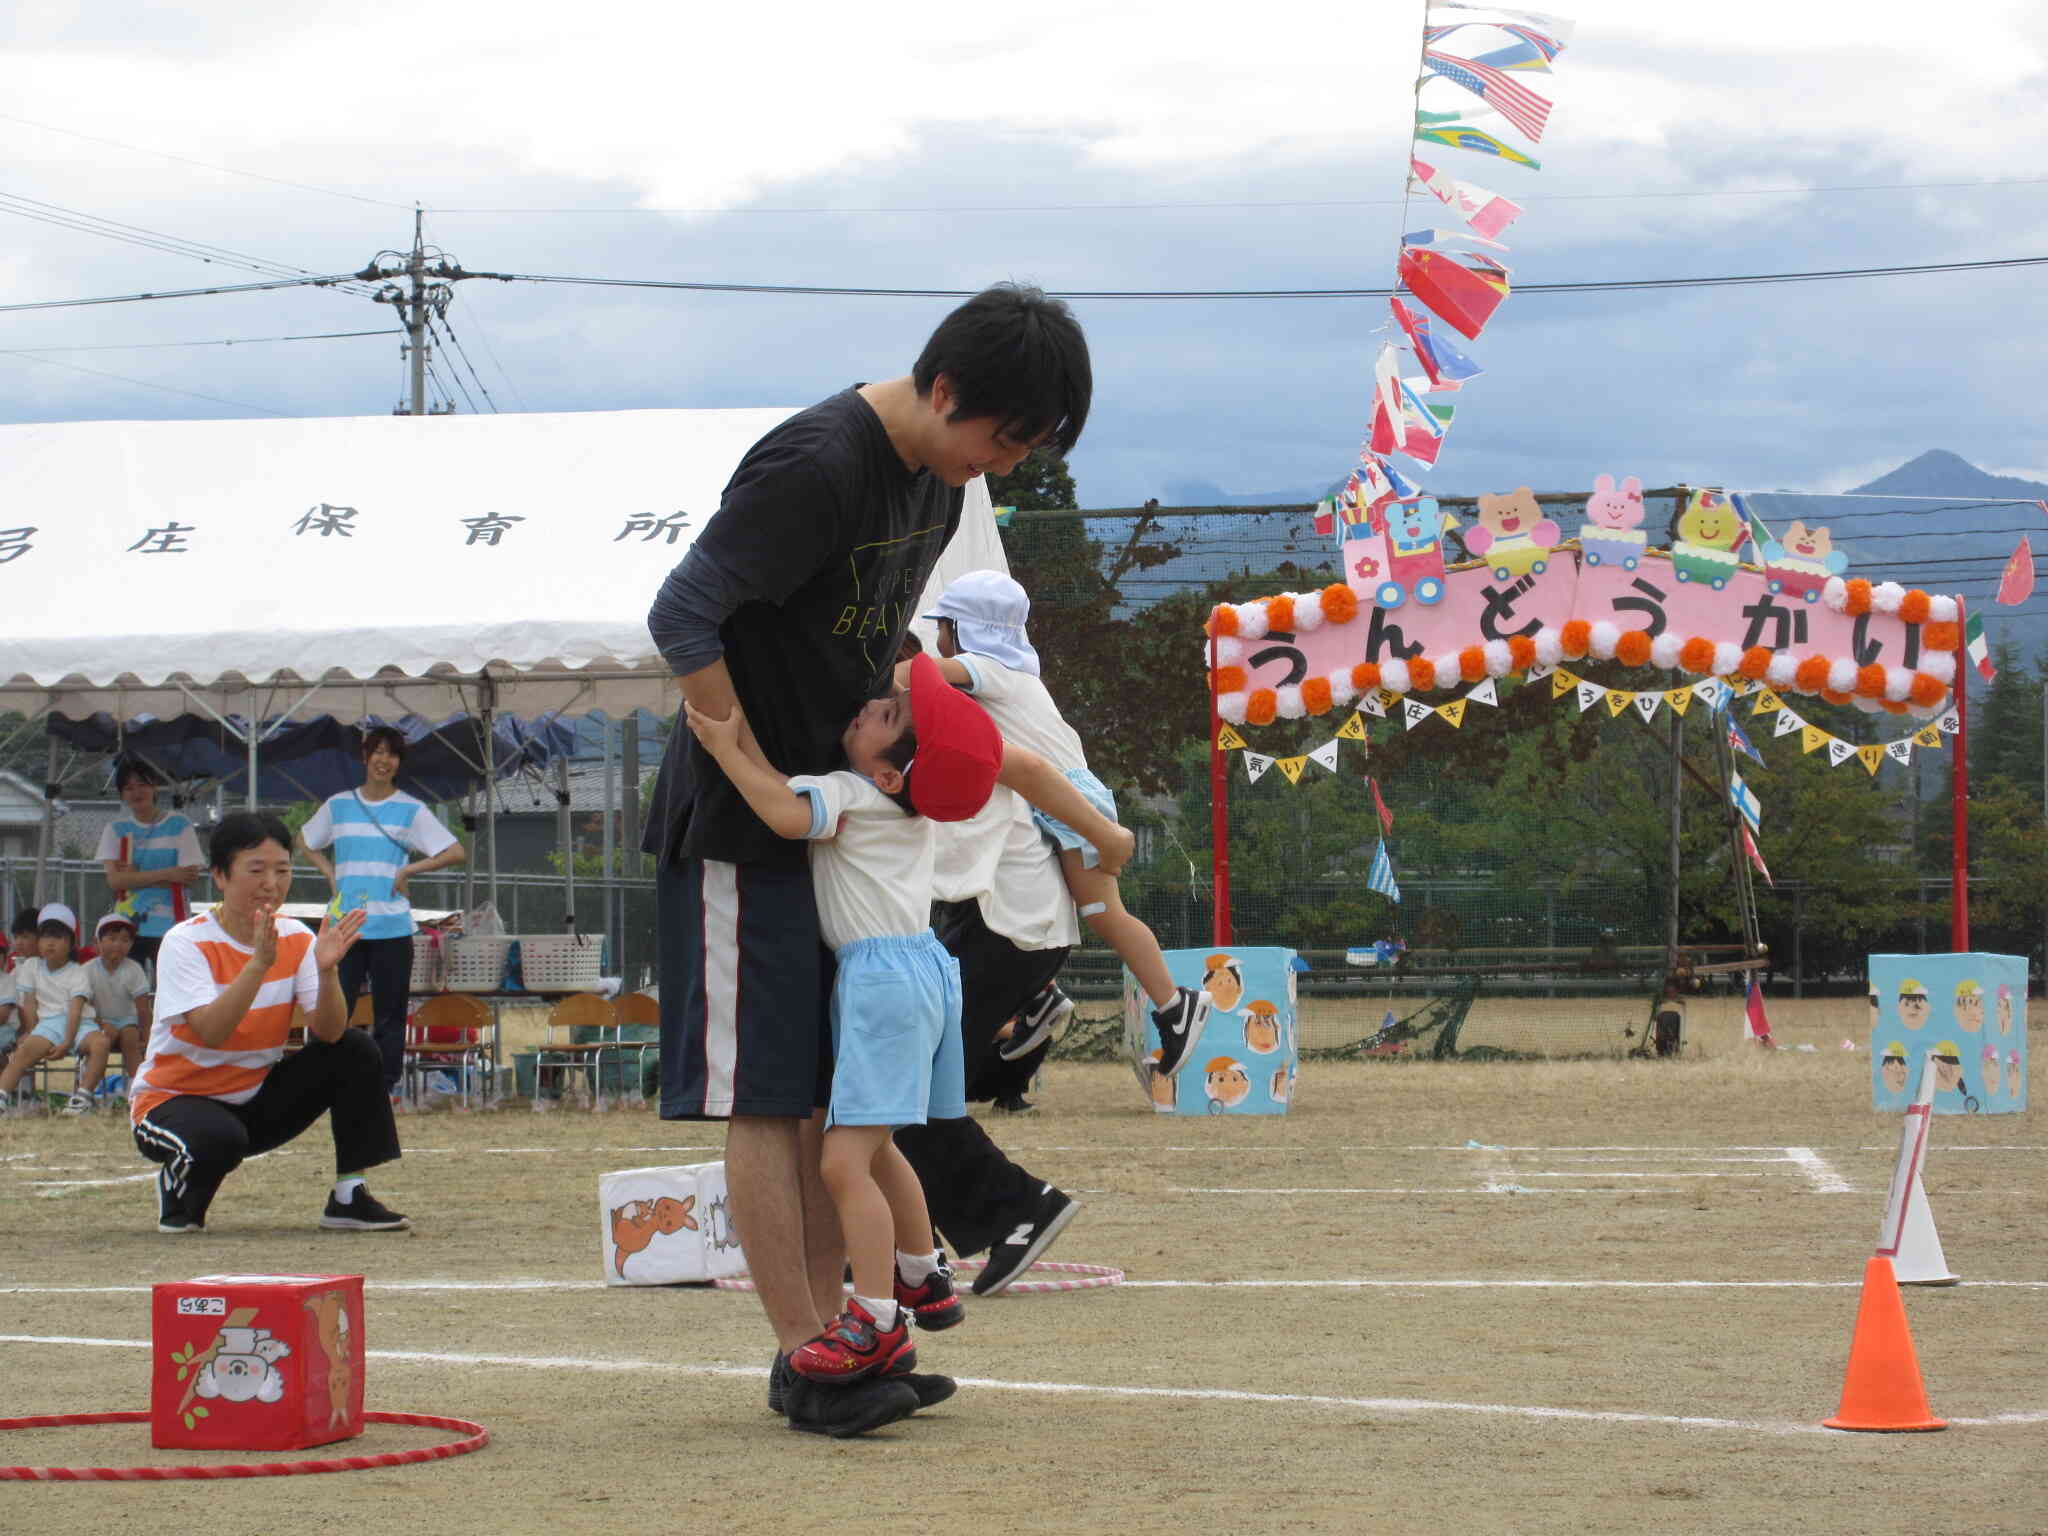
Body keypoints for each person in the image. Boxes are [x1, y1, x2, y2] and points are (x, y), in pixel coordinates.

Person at [642, 282, 1099, 1439]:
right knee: (762, 1097)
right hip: (748, 829)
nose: (995, 463)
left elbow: (862, 630)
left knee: (820, 1108)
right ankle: (804, 1356)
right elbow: (683, 609)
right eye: (998, 438)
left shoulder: (936, 481)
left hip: (836, 824)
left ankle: (848, 1338)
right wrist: (732, 749)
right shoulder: (816, 461)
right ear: (945, 389)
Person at [685, 653, 1004, 1387]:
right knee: (881, 1142)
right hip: (925, 972)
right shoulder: (908, 811)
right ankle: (923, 1273)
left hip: (883, 985)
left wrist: (728, 747)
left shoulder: (852, 796)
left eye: (888, 716)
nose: (870, 706)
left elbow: (780, 812)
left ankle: (877, 1320)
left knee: (840, 1162)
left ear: (891, 774)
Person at [913, 568, 1210, 1075]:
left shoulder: (986, 669)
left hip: (1073, 800)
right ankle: (1041, 999)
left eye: (943, 626)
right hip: (1061, 799)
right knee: (1047, 894)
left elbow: (918, 676)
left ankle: (1175, 1004)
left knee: (1100, 911)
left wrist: (872, 670)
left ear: (966, 630)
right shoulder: (1017, 673)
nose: (937, 639)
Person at [130, 811, 406, 1234]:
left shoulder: (297, 937)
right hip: (173, 1102)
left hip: (252, 1100)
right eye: (256, 870)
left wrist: (329, 970)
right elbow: (210, 1031)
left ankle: (349, 1195)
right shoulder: (185, 942)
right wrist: (259, 964)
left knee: (354, 1048)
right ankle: (176, 1188)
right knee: (216, 1146)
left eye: (282, 870)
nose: (271, 884)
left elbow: (329, 1032)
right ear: (220, 876)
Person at [897, 721, 1086, 1295]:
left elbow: (1029, 772)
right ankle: (903, 1237)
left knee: (903, 1088)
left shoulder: (946, 714)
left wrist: (1100, 829)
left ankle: (1015, 1209)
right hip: (1003, 926)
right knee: (907, 1088)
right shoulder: (944, 711)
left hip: (1006, 929)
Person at [297, 726, 467, 1101]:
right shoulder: (339, 804)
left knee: (390, 1015)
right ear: (364, 757)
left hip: (391, 926)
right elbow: (304, 840)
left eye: (391, 754)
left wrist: (408, 870)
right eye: (377, 752)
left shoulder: (411, 808)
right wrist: (329, 872)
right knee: (334, 1012)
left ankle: (385, 1086)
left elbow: (455, 851)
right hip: (345, 927)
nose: (383, 760)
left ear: (399, 763)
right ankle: (330, 1084)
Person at [96, 759, 206, 978]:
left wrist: (134, 877)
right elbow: (115, 882)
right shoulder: (116, 829)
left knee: (172, 989)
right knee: (127, 989)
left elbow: (189, 875)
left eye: (142, 785)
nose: (136, 792)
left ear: (154, 786)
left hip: (172, 926)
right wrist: (169, 874)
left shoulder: (180, 824)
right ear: (121, 795)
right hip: (126, 928)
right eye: (128, 788)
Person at [0, 904, 95, 1114]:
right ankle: (10, 1094)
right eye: (45, 936)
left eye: (26, 936)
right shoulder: (29, 967)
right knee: (24, 1049)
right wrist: (31, 1030)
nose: (50, 943)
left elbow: (75, 1010)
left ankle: (82, 1098)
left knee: (101, 1043)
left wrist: (66, 1040)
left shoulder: (77, 972)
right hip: (45, 1026)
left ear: (71, 943)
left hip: (73, 1025)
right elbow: (29, 1004)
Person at [80, 913, 154, 1108]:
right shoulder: (87, 970)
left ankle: (138, 1092)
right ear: (97, 942)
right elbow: (83, 1005)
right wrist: (102, 1024)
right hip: (97, 1022)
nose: (118, 945)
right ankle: (87, 1091)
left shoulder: (134, 969)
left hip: (126, 1020)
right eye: (112, 939)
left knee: (130, 1036)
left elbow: (143, 1008)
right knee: (101, 1041)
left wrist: (147, 1037)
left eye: (125, 940)